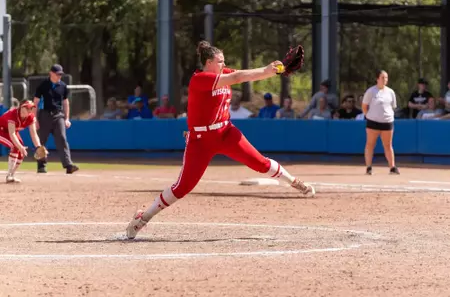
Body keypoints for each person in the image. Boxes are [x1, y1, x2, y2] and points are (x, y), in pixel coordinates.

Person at [126, 41, 315, 239]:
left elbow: (244, 75)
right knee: (183, 187)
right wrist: (267, 69)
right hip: (201, 140)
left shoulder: (222, 73)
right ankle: (143, 218)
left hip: (226, 133)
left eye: (224, 61)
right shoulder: (200, 79)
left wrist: (277, 69)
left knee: (259, 162)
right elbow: (238, 76)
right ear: (208, 63)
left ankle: (295, 183)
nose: (223, 65)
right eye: (220, 62)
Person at [32, 64, 79, 174]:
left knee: (62, 138)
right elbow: (35, 102)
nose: (59, 76)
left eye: (61, 74)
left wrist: (67, 118)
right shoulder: (43, 85)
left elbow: (65, 102)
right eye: (57, 74)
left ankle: (68, 165)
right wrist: (35, 120)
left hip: (58, 115)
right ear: (51, 73)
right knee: (41, 141)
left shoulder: (63, 86)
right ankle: (41, 165)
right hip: (44, 115)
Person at [362, 70, 399, 175]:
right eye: (383, 77)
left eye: (386, 78)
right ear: (377, 79)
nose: (385, 80)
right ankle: (369, 167)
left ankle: (392, 167)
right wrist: (369, 116)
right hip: (373, 122)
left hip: (387, 122)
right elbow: (364, 106)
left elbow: (392, 107)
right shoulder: (371, 91)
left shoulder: (390, 92)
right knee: (370, 144)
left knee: (388, 145)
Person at [0, 100, 44, 183]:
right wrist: (20, 147)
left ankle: (11, 176)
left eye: (31, 108)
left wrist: (38, 147)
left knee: (21, 153)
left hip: (11, 132)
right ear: (21, 107)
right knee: (16, 146)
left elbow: (34, 134)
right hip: (1, 130)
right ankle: (9, 175)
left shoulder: (31, 117)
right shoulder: (13, 114)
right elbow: (12, 134)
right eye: (27, 108)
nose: (29, 110)